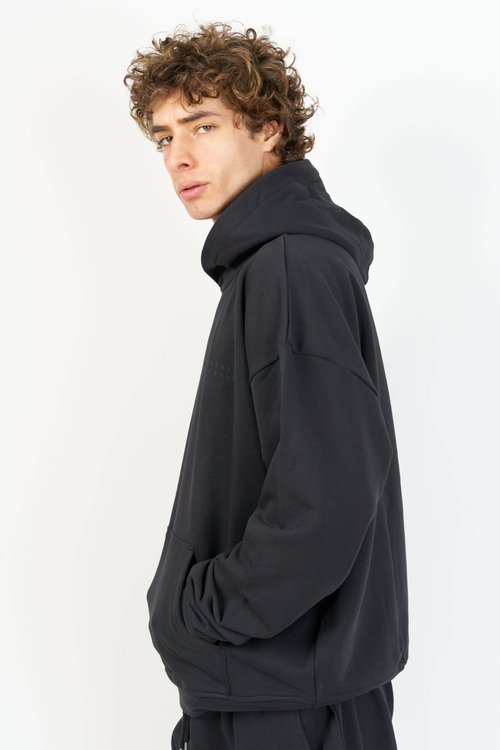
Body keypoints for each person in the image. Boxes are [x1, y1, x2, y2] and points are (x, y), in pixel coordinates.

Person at [123, 21, 409, 750]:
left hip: (285, 708)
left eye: (203, 125)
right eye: (164, 137)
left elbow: (328, 497)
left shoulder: (290, 267)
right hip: (276, 691)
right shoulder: (272, 265)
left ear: (268, 129)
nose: (179, 156)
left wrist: (202, 614)